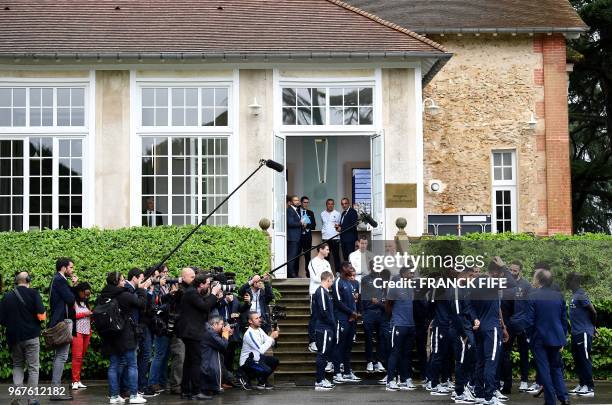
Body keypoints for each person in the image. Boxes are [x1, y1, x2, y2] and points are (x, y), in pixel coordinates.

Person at [98, 271, 149, 404]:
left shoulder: (102, 296)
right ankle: (133, 395)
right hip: (125, 334)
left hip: (109, 335)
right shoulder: (124, 295)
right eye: (121, 280)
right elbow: (141, 304)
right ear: (116, 282)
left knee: (114, 365)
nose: (124, 282)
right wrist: (142, 290)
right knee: (132, 364)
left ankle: (114, 396)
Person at [525, 268, 570, 405]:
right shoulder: (559, 296)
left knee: (544, 369)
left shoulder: (533, 295)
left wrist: (529, 337)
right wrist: (563, 336)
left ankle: (550, 401)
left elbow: (529, 321)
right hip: (556, 338)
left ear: (539, 280)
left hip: (539, 338)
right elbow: (563, 319)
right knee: (556, 368)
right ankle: (564, 397)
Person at [176, 268, 222, 400]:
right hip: (192, 332)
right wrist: (213, 294)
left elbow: (204, 305)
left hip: (190, 331)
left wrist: (214, 298)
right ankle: (196, 391)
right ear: (201, 284)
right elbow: (205, 307)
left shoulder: (193, 293)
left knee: (189, 362)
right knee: (196, 361)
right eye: (207, 283)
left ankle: (186, 391)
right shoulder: (191, 293)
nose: (208, 286)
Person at [0, 271, 45, 394]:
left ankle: (17, 397)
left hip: (14, 338)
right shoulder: (34, 293)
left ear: (16, 281)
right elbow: (41, 316)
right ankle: (32, 399)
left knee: (18, 365)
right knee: (33, 368)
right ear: (28, 280)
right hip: (31, 336)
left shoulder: (7, 296)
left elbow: (2, 320)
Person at [500, 261, 532, 394]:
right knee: (504, 353)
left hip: (522, 324)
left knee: (524, 353)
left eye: (515, 270)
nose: (512, 272)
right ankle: (504, 381)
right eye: (511, 270)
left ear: (520, 271)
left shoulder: (526, 285)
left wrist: (527, 323)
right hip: (508, 324)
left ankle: (524, 381)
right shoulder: (504, 283)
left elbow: (530, 305)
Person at [49, 257, 78, 402]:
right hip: (62, 322)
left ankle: (56, 390)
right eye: (71, 267)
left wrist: (72, 285)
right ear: (63, 268)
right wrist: (73, 286)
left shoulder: (58, 280)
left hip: (59, 321)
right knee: (61, 356)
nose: (72, 270)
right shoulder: (60, 280)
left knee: (59, 356)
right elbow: (71, 299)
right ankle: (55, 392)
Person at [384, 267, 417, 391]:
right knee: (395, 352)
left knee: (407, 354)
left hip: (410, 325)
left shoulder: (411, 287)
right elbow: (388, 305)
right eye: (410, 273)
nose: (412, 274)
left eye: (413, 273)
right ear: (403, 274)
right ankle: (390, 380)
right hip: (398, 324)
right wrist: (393, 319)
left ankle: (405, 379)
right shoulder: (395, 286)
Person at [567, 272, 596, 397]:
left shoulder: (581, 294)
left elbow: (593, 312)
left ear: (575, 282)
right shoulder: (574, 295)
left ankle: (589, 387)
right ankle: (582, 384)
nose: (567, 283)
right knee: (578, 359)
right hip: (575, 332)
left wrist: (593, 327)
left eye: (569, 280)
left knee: (585, 359)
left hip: (583, 332)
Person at [331, 262, 361, 384]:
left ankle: (347, 372)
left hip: (351, 320)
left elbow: (354, 300)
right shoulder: (338, 282)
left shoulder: (351, 282)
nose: (351, 269)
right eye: (349, 267)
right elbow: (338, 302)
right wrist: (351, 313)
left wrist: (355, 314)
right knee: (339, 345)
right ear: (343, 268)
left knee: (348, 347)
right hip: (341, 319)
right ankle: (337, 372)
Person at [239, 311, 280, 390]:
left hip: (257, 358)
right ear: (250, 321)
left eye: (259, 318)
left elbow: (271, 343)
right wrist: (271, 337)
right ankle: (244, 376)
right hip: (247, 362)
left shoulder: (259, 330)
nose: (259, 320)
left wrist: (275, 334)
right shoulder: (249, 334)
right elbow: (261, 349)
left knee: (275, 361)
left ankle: (262, 382)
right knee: (266, 369)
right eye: (256, 318)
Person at [361, 260, 387, 373]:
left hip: (381, 313)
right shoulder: (365, 279)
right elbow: (363, 297)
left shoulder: (383, 280)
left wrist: (381, 304)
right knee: (369, 338)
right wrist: (362, 313)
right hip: (369, 313)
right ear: (370, 266)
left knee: (381, 338)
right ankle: (370, 361)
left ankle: (379, 361)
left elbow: (385, 296)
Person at [312, 271, 336, 391]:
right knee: (322, 353)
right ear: (328, 279)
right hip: (323, 327)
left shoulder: (325, 292)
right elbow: (324, 311)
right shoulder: (321, 291)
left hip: (326, 327)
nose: (332, 283)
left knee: (324, 353)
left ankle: (321, 379)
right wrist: (332, 323)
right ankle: (319, 381)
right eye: (331, 281)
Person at [307, 243, 332, 352]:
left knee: (324, 315)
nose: (328, 251)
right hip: (315, 293)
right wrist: (325, 278)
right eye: (327, 249)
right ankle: (312, 342)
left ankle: (320, 339)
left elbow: (331, 277)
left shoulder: (327, 262)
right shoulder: (313, 262)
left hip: (326, 292)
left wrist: (326, 278)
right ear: (320, 249)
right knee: (315, 317)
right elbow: (315, 278)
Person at [201, 316, 232, 396]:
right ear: (215, 324)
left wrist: (227, 335)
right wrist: (225, 333)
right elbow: (223, 345)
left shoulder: (208, 330)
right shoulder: (210, 332)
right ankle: (210, 388)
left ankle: (211, 388)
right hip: (207, 366)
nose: (223, 327)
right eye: (222, 324)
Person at [71, 282, 93, 391]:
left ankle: (78, 380)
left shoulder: (86, 303)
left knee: (82, 356)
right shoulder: (74, 302)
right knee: (77, 357)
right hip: (77, 331)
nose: (86, 297)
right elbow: (72, 316)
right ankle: (74, 380)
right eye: (85, 294)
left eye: (88, 295)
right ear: (79, 292)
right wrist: (86, 314)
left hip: (86, 331)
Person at [321, 198, 342, 272]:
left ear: (334, 205)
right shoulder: (322, 213)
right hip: (325, 238)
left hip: (335, 238)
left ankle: (338, 273)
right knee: (326, 256)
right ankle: (325, 272)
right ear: (326, 205)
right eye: (328, 204)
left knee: (336, 256)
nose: (330, 205)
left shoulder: (337, 213)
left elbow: (339, 226)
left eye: (332, 204)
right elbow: (323, 225)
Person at [299, 196, 317, 276]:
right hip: (298, 237)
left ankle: (308, 273)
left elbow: (314, 225)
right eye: (304, 202)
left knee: (307, 256)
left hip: (307, 237)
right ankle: (294, 274)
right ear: (301, 202)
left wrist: (307, 225)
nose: (306, 204)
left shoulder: (310, 213)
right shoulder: (296, 211)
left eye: (307, 202)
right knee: (296, 255)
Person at [286, 195, 302, 278]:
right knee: (291, 257)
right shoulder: (290, 210)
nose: (297, 201)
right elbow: (290, 223)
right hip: (292, 237)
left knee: (295, 256)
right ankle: (291, 274)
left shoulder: (296, 210)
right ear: (291, 202)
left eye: (298, 200)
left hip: (296, 237)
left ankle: (293, 273)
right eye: (295, 200)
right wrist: (301, 223)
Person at [338, 197, 359, 262]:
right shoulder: (343, 213)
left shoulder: (353, 212)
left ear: (349, 203)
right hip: (343, 239)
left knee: (350, 258)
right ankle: (346, 272)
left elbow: (353, 225)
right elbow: (344, 224)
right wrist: (338, 226)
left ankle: (350, 272)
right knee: (345, 258)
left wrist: (341, 228)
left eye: (345, 203)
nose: (344, 205)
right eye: (342, 204)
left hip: (350, 239)